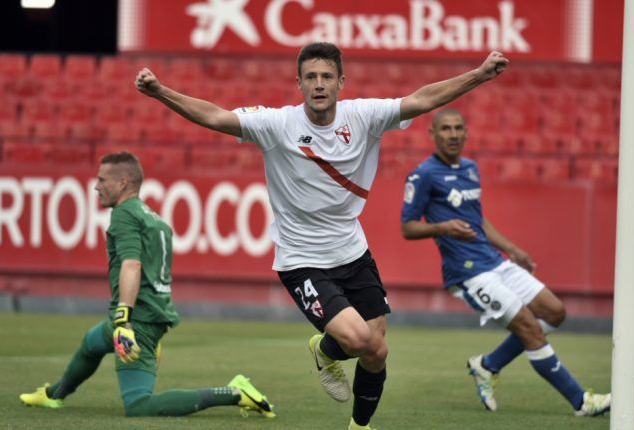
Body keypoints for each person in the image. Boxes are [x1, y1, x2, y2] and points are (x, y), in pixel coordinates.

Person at [135, 43, 508, 430]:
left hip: (351, 250)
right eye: (310, 77)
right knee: (360, 339)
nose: (319, 84)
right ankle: (331, 349)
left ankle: (357, 422)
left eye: (326, 77)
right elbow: (215, 116)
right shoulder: (277, 124)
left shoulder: (363, 116)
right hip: (301, 260)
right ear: (298, 83)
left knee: (377, 349)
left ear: (340, 82)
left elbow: (420, 100)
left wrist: (478, 74)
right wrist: (161, 91)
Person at [19, 151, 274, 419]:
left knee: (139, 405)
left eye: (102, 180)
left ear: (123, 182)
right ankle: (53, 395)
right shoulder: (152, 216)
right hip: (151, 310)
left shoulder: (124, 214)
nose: (97, 186)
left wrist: (123, 319)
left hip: (138, 319)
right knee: (91, 343)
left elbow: (132, 264)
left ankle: (234, 392)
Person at [400, 109, 611, 417]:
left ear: (466, 133)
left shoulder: (470, 168)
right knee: (528, 326)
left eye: (459, 128)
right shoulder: (424, 175)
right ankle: (582, 402)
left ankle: (488, 366)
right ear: (433, 134)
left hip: (494, 261)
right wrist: (443, 227)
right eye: (445, 129)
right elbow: (407, 227)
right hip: (468, 273)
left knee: (554, 312)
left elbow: (478, 221)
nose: (453, 134)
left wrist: (513, 249)